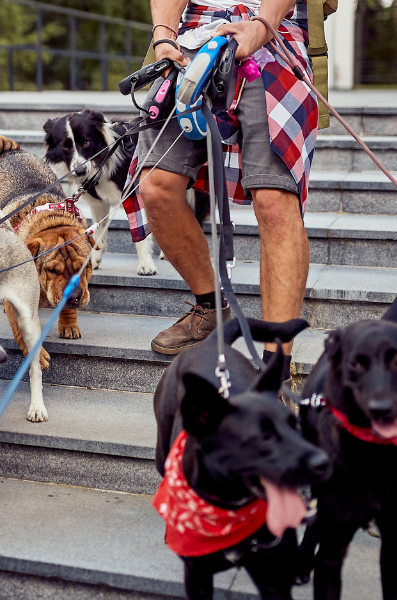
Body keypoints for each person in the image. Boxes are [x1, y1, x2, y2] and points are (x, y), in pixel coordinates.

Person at [135, 0, 316, 380]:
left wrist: (263, 24)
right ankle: (211, 307)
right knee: (155, 187)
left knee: (274, 200)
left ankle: (275, 367)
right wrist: (164, 36)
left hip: (275, 33)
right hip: (193, 37)